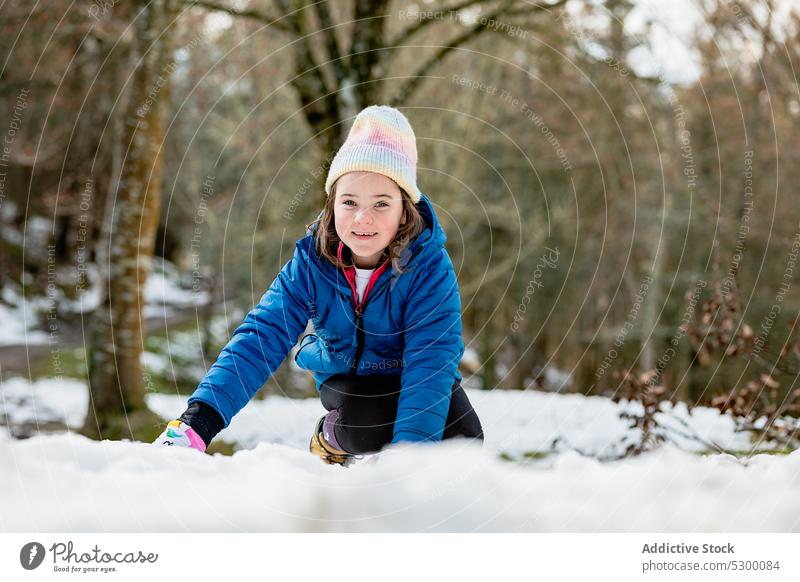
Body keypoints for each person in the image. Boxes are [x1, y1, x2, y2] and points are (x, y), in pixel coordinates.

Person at [154, 105, 484, 465]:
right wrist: (197, 422)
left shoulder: (429, 267)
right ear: (331, 204)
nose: (363, 218)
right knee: (365, 426)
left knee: (464, 442)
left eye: (381, 204)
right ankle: (330, 438)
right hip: (350, 384)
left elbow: (431, 361)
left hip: (411, 373)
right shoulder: (312, 262)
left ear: (405, 210)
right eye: (349, 202)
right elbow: (263, 334)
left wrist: (406, 461)